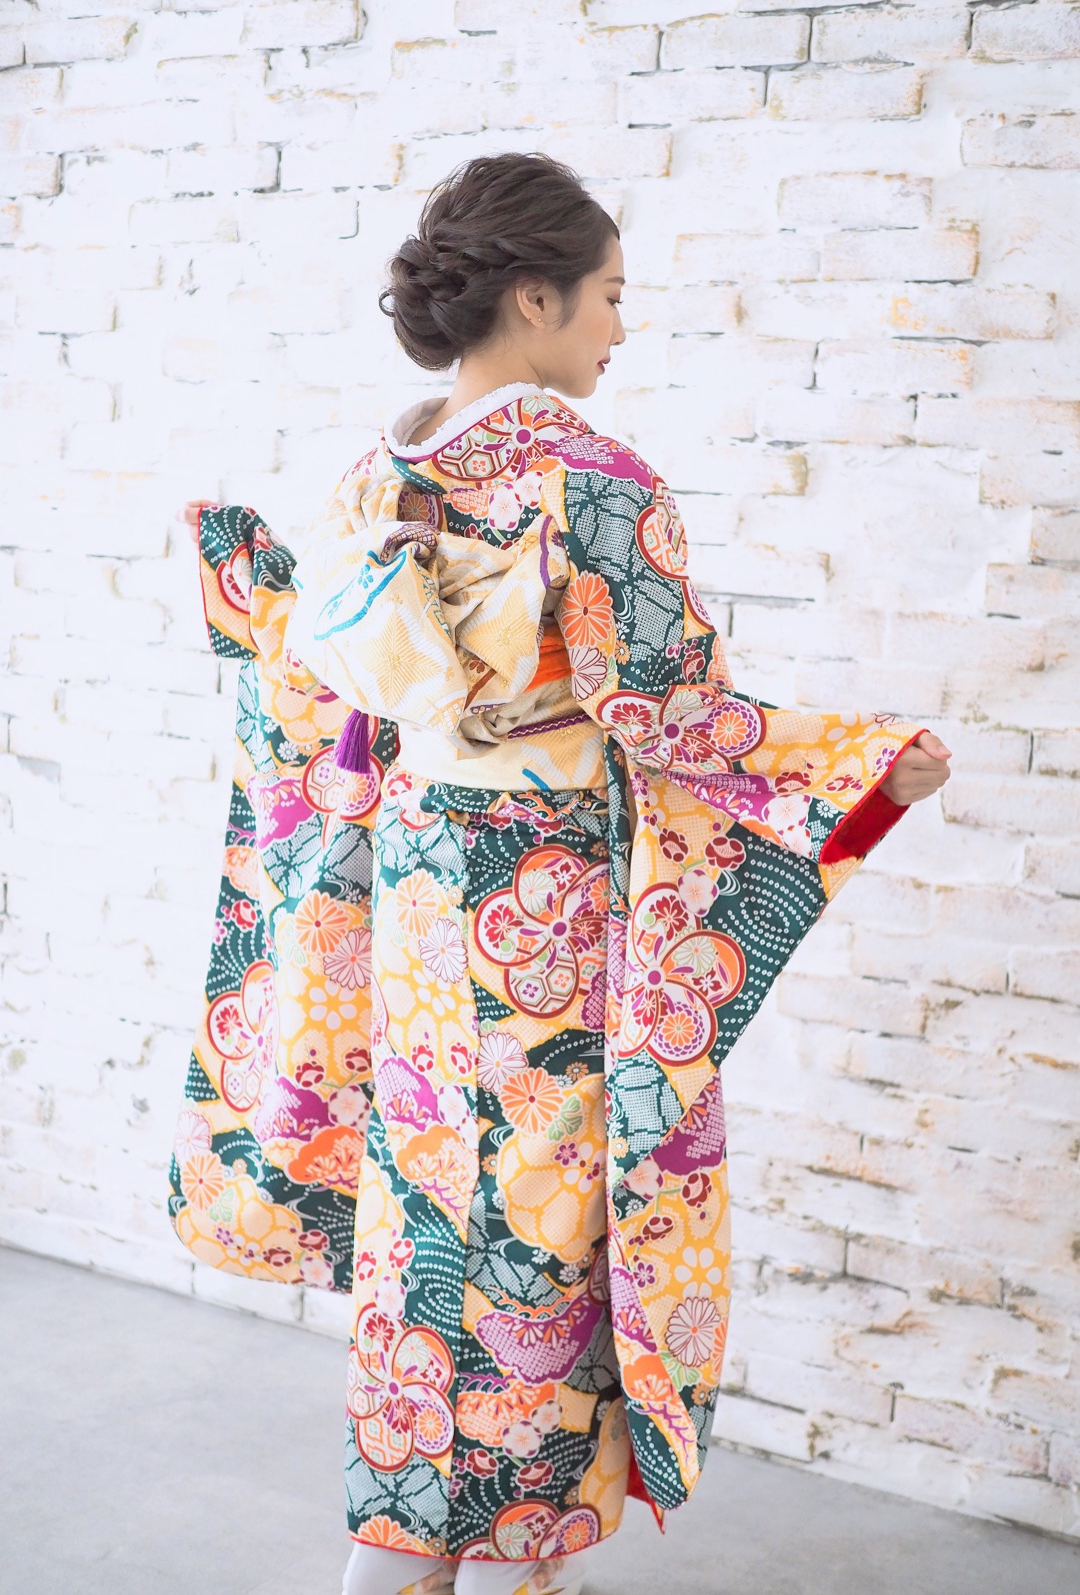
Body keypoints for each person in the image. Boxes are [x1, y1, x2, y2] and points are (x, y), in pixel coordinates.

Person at [173, 153, 951, 1595]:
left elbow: (330, 688)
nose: (620, 327)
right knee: (551, 1221)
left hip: (419, 894)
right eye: (608, 296)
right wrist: (860, 764)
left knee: (430, 1209)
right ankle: (490, 1555)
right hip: (550, 909)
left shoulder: (385, 466)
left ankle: (406, 1527)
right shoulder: (591, 482)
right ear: (534, 297)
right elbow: (674, 713)